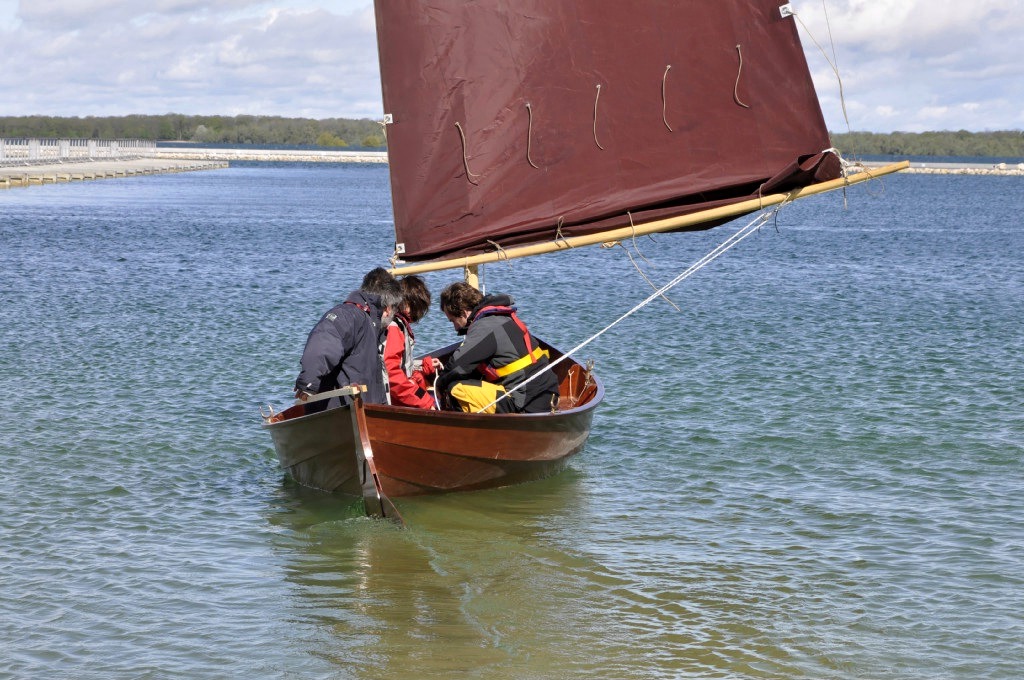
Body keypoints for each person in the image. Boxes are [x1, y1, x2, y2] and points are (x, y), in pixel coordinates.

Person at [434, 281, 560, 414]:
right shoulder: (501, 318)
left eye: (453, 320)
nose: (455, 328)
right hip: (548, 396)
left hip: (526, 404)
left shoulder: (484, 326)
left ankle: (469, 431)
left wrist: (439, 385)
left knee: (455, 388)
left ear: (465, 313)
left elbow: (457, 366)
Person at [294, 267, 402, 408]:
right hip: (339, 417)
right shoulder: (350, 314)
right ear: (388, 308)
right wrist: (308, 383)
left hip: (360, 414)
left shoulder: (369, 325)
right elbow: (324, 340)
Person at [382, 275, 442, 409]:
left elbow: (400, 364)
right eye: (416, 307)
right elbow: (391, 372)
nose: (417, 313)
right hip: (397, 401)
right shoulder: (394, 328)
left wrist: (424, 365)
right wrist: (426, 402)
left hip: (400, 394)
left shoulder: (397, 325)